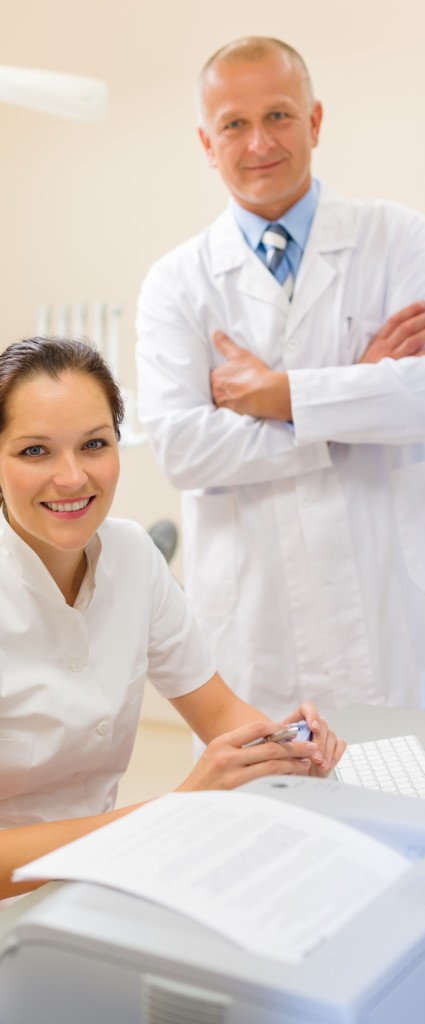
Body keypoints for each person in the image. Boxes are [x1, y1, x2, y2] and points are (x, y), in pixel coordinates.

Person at [0, 336, 344, 978]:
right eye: (35, 450)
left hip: (92, 890)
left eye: (94, 443)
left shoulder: (131, 555)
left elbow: (220, 710)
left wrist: (280, 745)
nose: (72, 477)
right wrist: (179, 811)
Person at [136, 37, 425, 724]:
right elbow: (181, 448)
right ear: (207, 143)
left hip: (389, 604)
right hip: (258, 624)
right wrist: (351, 392)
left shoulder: (397, 239)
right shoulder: (175, 284)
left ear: (314, 121)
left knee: (408, 808)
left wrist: (278, 396)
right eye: (233, 124)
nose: (258, 141)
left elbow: (417, 399)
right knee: (274, 812)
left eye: (279, 115)